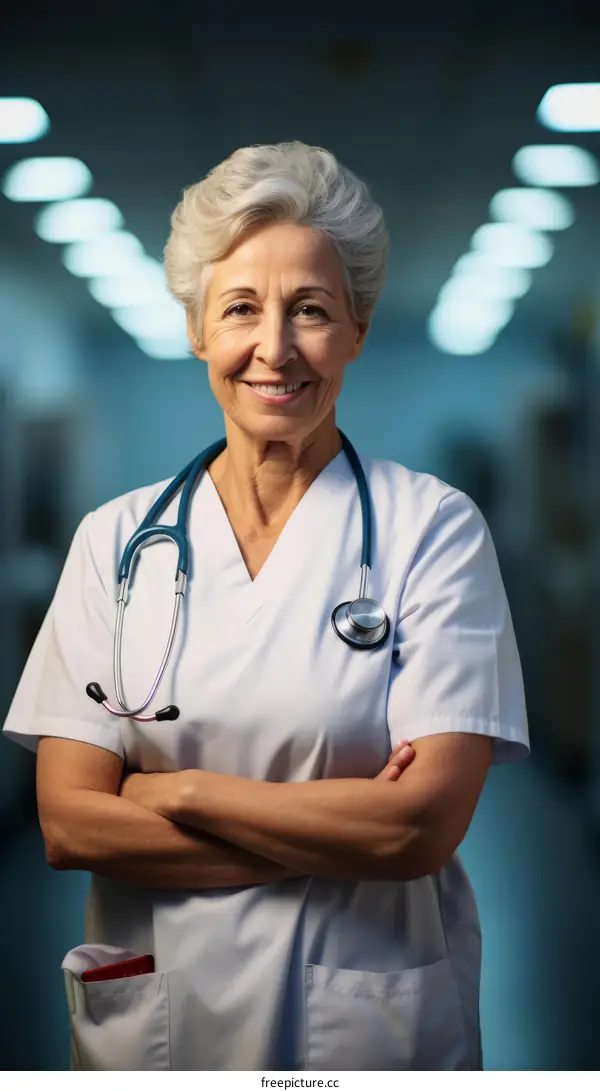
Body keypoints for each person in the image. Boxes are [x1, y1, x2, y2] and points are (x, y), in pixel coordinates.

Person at [1, 141, 529, 1072]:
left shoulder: (433, 532)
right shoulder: (114, 542)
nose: (274, 348)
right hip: (161, 1022)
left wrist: (177, 792)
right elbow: (72, 824)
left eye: (312, 311)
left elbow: (418, 828)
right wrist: (340, 826)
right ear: (198, 328)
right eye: (241, 307)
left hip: (361, 1018)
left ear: (358, 330)